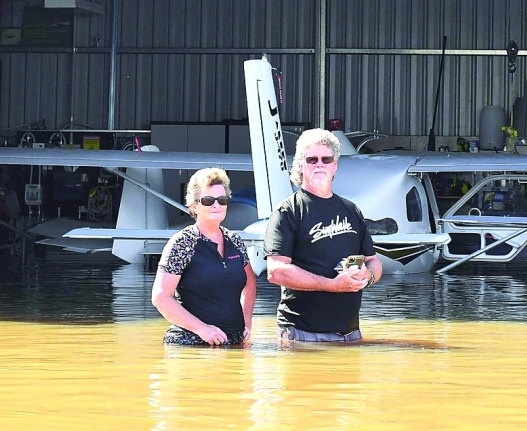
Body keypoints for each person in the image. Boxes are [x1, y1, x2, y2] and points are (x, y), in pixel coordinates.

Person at [264, 128, 382, 342]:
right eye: (312, 159)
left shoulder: (351, 210)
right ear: (300, 164)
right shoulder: (288, 212)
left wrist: (368, 276)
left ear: (335, 165)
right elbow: (275, 272)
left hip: (350, 334)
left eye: (326, 159)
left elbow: (373, 261)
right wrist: (331, 285)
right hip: (302, 334)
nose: (319, 164)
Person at [151, 167, 256, 346]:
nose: (216, 205)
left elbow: (250, 284)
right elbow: (160, 297)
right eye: (208, 200)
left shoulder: (235, 241)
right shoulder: (182, 243)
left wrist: (246, 323)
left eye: (222, 200)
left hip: (233, 344)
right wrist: (202, 329)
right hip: (191, 345)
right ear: (194, 205)